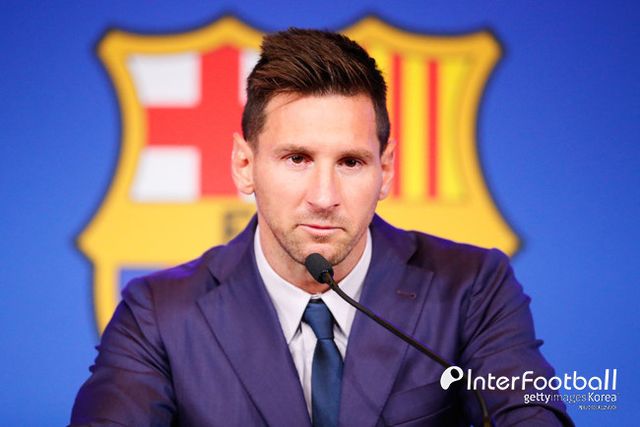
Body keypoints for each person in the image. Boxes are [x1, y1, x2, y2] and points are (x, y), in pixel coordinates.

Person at [71, 29, 573, 426]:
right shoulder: (158, 314)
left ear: (386, 170)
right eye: (297, 158)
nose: (324, 196)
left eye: (351, 162)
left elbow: (530, 414)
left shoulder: (472, 287)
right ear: (244, 165)